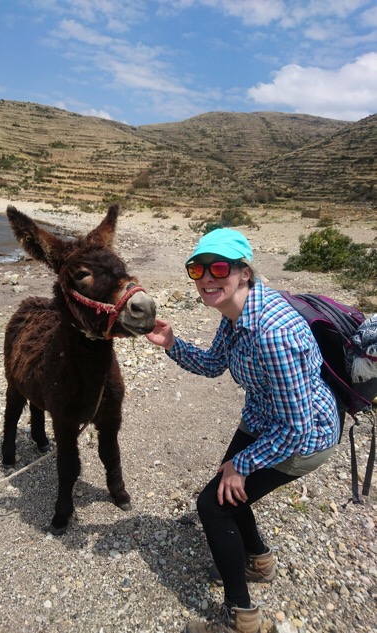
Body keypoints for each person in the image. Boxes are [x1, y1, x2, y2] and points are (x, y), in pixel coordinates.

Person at [145, 227, 341, 633]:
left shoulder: (273, 333)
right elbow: (215, 364)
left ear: (244, 273)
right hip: (264, 420)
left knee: (214, 505)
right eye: (197, 270)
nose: (206, 278)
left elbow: (297, 428)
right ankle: (258, 560)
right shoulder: (237, 314)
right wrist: (171, 343)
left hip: (304, 437)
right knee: (229, 492)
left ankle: (242, 615)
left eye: (218, 268)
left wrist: (243, 463)